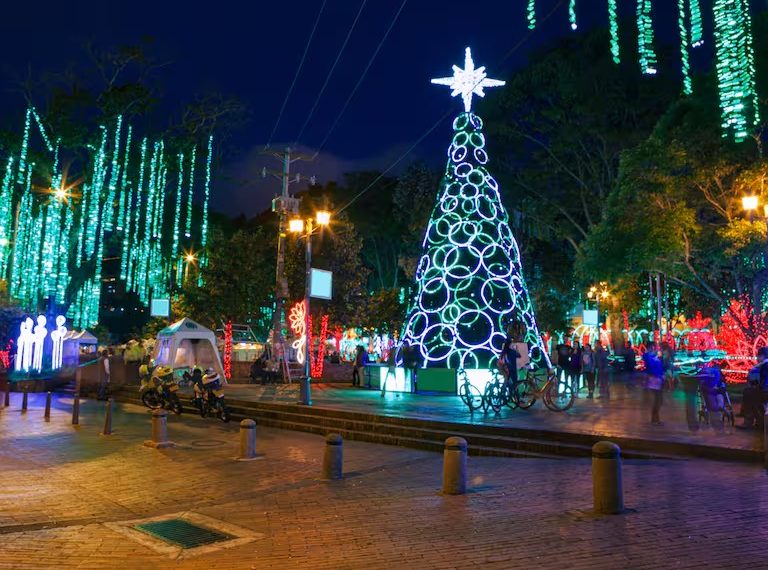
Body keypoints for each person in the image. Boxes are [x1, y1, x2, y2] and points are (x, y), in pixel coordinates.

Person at [739, 347, 768, 429]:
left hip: (765, 392)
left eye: (758, 356)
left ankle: (748, 421)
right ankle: (759, 421)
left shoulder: (761, 366)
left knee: (748, 393)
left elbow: (755, 381)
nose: (757, 358)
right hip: (764, 391)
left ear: (762, 356)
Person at [642, 343, 664, 425]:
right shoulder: (649, 356)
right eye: (654, 347)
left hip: (657, 378)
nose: (656, 348)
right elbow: (650, 367)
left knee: (659, 400)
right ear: (651, 347)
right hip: (654, 379)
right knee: (657, 400)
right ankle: (655, 419)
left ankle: (655, 419)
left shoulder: (653, 356)